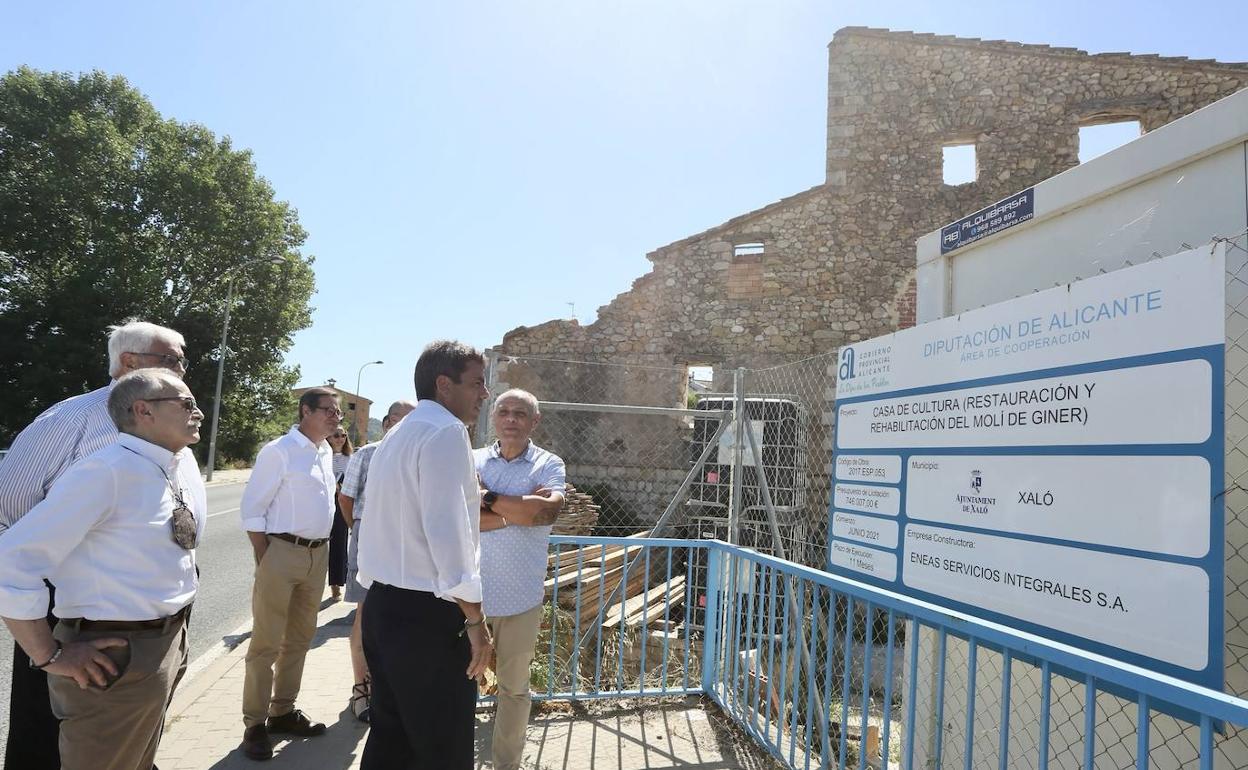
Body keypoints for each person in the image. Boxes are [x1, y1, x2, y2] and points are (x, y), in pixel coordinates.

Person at [0, 319, 190, 770]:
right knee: (46, 729)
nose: (183, 369)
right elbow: (13, 499)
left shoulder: (171, 424)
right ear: (129, 362)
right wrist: (65, 547)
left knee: (127, 729)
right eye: (171, 360)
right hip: (66, 602)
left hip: (150, 619)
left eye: (183, 361)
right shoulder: (73, 417)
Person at [356, 340, 493, 770]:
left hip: (384, 606)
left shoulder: (400, 432)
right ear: (444, 385)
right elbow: (449, 540)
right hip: (427, 619)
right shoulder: (446, 432)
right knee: (442, 748)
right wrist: (476, 622)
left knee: (391, 741)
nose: (484, 394)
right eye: (476, 383)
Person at [238, 387, 340, 761]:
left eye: (338, 413)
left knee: (299, 639)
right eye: (328, 411)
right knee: (265, 642)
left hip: (318, 554)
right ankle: (254, 724)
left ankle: (282, 711)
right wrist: (267, 557)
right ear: (305, 411)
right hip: (281, 551)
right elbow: (252, 510)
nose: (335, 417)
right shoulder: (279, 451)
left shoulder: (325, 451)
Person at [475, 389, 566, 770]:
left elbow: (548, 513)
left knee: (513, 690)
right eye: (504, 412)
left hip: (521, 597)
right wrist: (520, 508)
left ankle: (505, 765)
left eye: (520, 413)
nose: (511, 418)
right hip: (469, 597)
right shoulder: (472, 458)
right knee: (458, 686)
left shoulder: (549, 463)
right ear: (494, 418)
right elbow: (461, 516)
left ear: (535, 421)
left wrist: (486, 497)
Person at [337, 399, 417, 722]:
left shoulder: (419, 455)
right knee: (364, 617)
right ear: (386, 423)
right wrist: (359, 528)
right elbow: (346, 499)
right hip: (368, 541)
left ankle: (388, 690)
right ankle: (361, 690)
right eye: (399, 420)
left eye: (413, 421)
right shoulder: (367, 454)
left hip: (407, 549)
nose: (405, 427)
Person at [327, 428, 354, 601]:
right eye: (336, 435)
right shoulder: (320, 455)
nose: (340, 439)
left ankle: (336, 585)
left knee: (339, 544)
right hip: (323, 503)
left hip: (342, 504)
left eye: (343, 435)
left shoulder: (351, 459)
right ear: (328, 437)